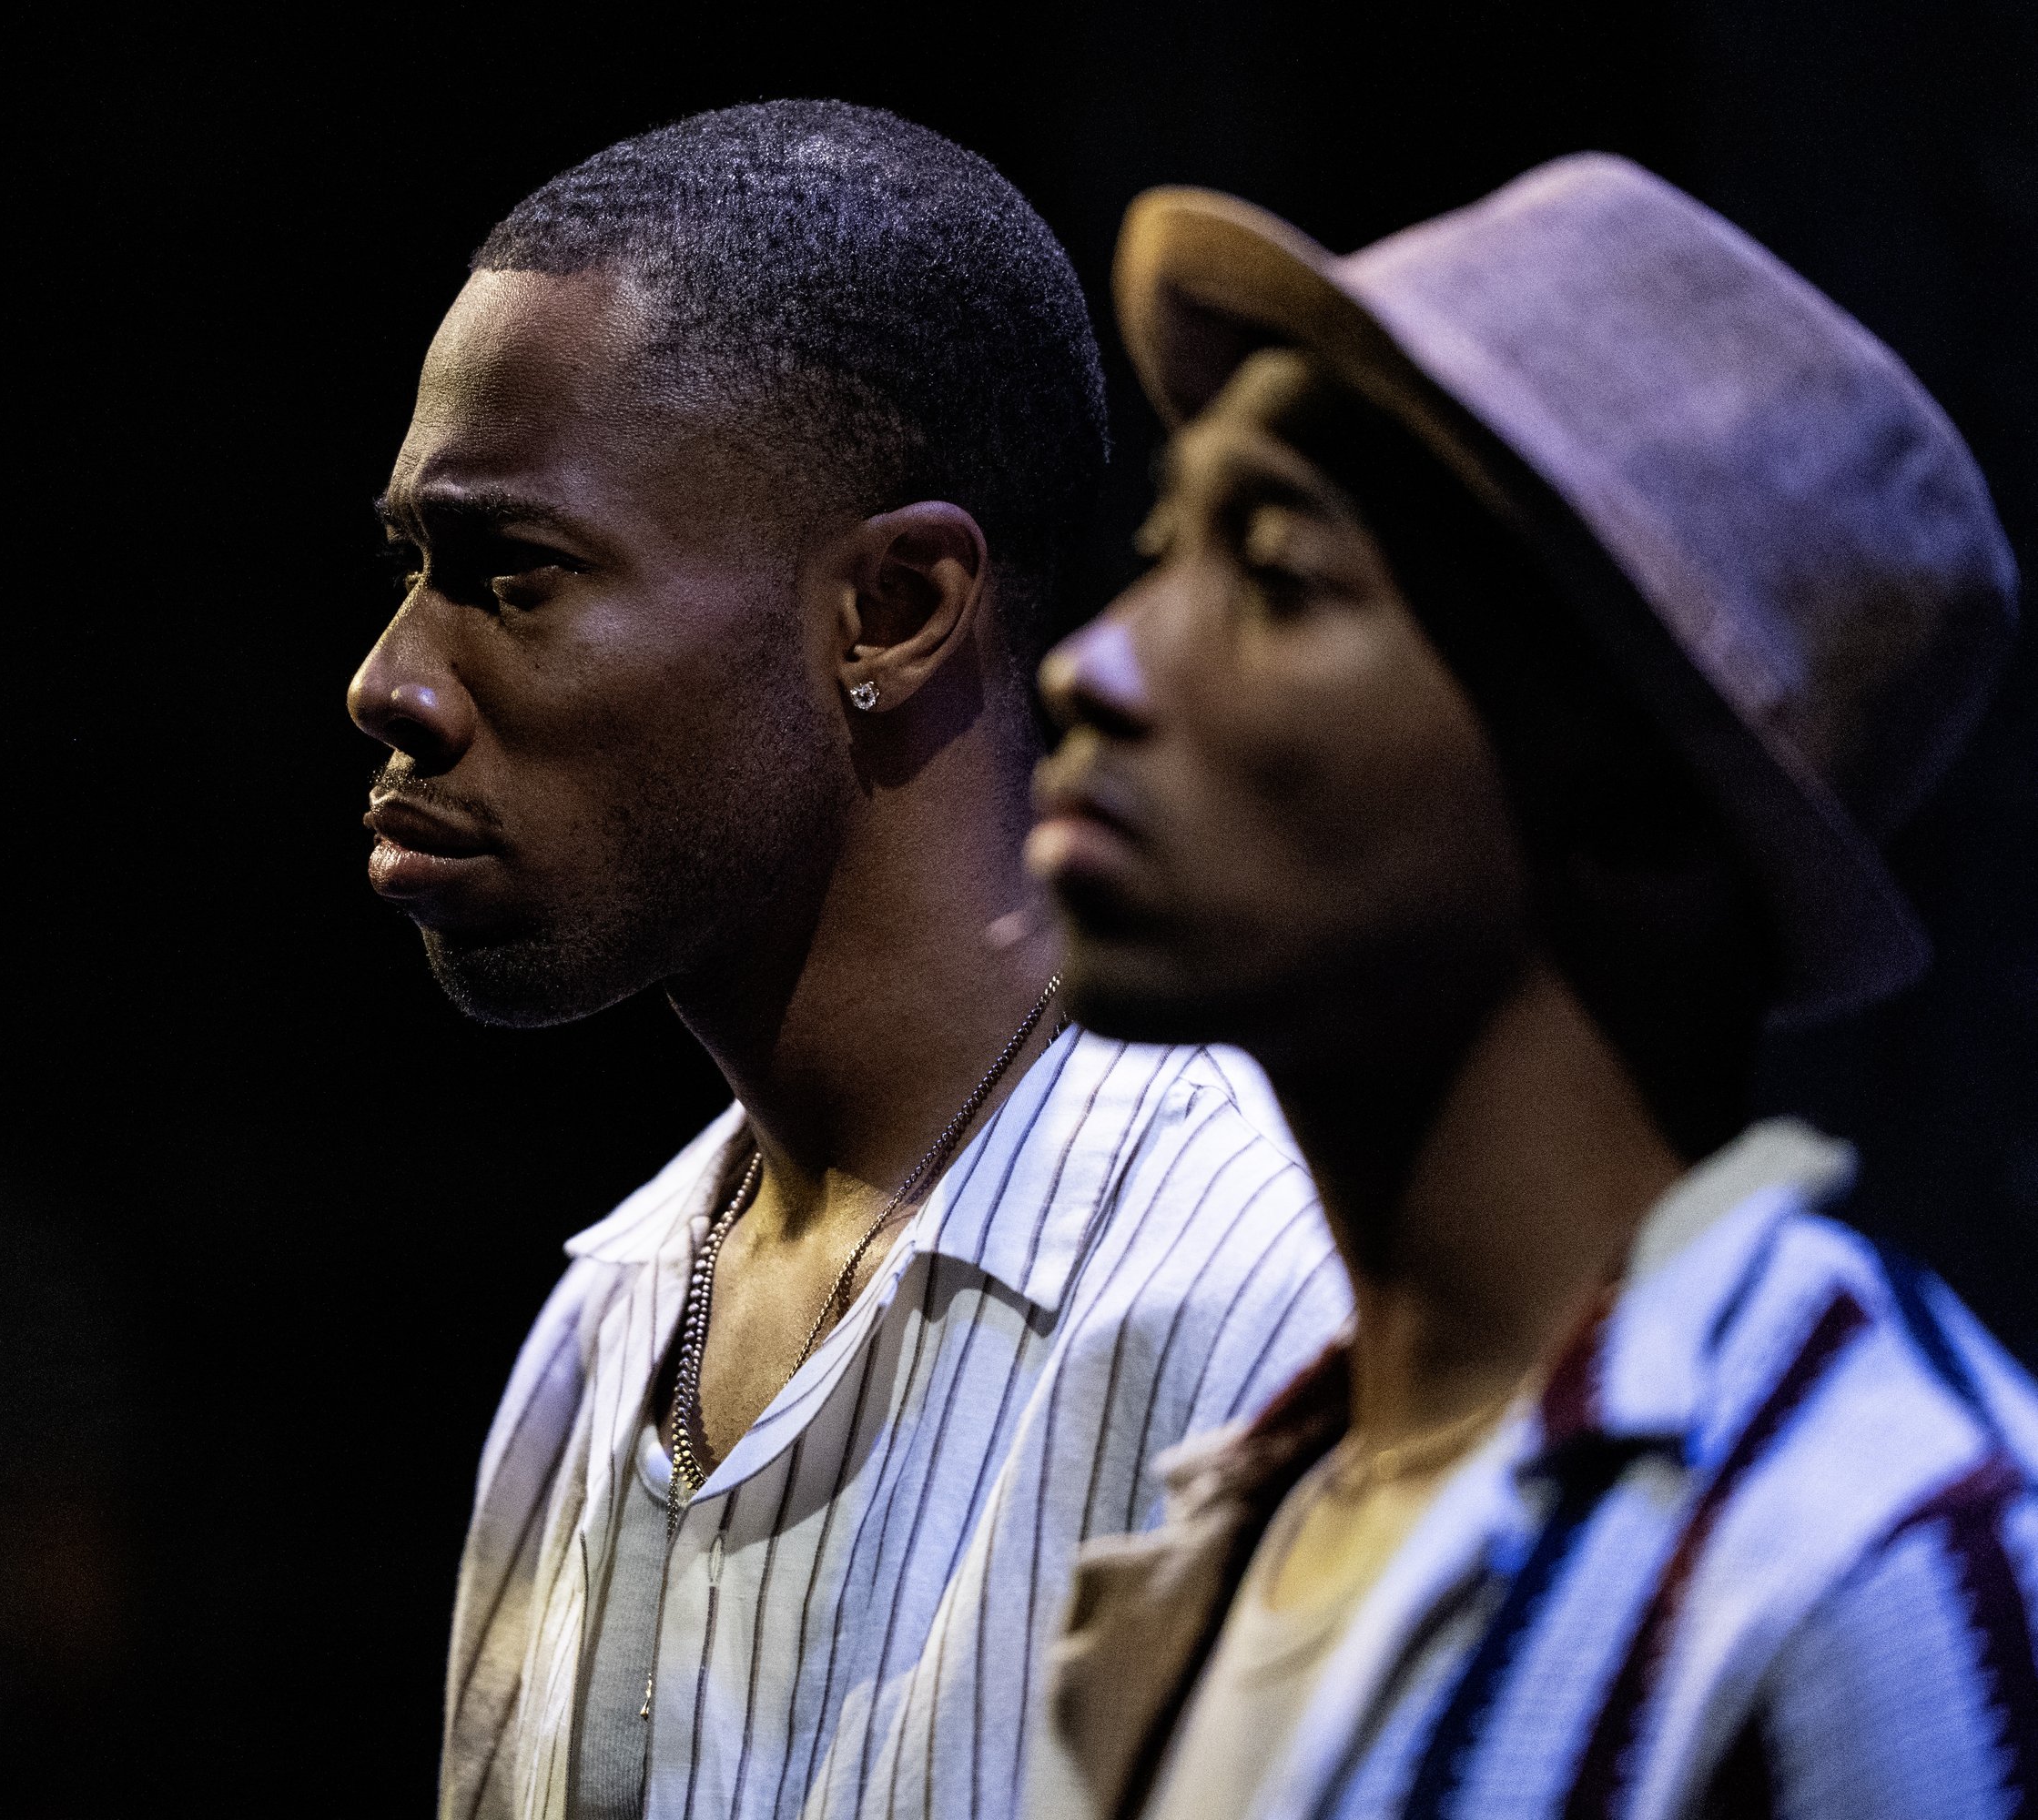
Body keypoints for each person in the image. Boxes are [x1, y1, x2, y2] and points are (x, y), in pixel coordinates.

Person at [348, 101, 1344, 1820]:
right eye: (412, 568)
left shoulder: (1265, 1299)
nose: (393, 684)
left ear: (890, 609)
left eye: (514, 575)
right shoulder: (600, 1337)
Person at [1023, 155, 2031, 1820]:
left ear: (1641, 802)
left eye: (1277, 573)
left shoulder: (1871, 1560)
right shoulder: (1237, 1536)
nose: (1098, 663)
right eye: (1164, 543)